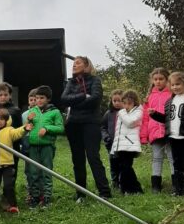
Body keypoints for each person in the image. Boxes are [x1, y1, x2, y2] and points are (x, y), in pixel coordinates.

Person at [61, 56, 112, 200]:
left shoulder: (95, 80)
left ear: (86, 65)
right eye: (73, 63)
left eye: (78, 63)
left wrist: (75, 102)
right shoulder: (70, 82)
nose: (74, 65)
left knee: (93, 157)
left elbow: (95, 99)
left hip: (91, 123)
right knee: (77, 160)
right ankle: (80, 194)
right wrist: (84, 96)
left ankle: (104, 192)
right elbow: (64, 99)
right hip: (73, 125)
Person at [149, 72, 184, 195]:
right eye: (173, 85)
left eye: (178, 84)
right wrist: (154, 114)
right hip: (173, 136)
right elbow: (166, 119)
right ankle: (178, 189)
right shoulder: (170, 101)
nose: (175, 87)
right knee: (176, 162)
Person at [0, 82, 23, 208]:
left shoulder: (15, 110)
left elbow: (19, 130)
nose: (3, 97)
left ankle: (7, 198)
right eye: (0, 95)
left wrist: (19, 145)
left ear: (10, 95)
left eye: (5, 94)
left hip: (11, 149)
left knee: (10, 176)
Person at [26, 86, 64, 208]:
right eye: (37, 98)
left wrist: (47, 129)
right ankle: (35, 197)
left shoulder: (55, 112)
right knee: (33, 172)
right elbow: (28, 127)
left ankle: (46, 197)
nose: (38, 100)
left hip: (47, 146)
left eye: (42, 98)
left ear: (48, 99)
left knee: (46, 172)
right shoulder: (33, 111)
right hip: (33, 146)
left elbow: (61, 128)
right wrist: (29, 121)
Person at [140, 68, 175, 193]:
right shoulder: (149, 97)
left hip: (169, 131)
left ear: (167, 80)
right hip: (154, 132)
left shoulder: (172, 94)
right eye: (155, 79)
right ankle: (156, 186)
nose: (158, 81)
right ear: (152, 81)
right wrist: (143, 136)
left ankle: (176, 184)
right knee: (156, 158)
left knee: (172, 158)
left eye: (161, 79)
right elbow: (145, 119)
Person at [111, 90, 143, 194]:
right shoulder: (123, 112)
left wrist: (122, 113)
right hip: (121, 145)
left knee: (126, 167)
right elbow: (118, 131)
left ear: (135, 102)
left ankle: (128, 188)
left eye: (129, 103)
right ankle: (132, 189)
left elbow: (130, 122)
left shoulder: (138, 111)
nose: (126, 106)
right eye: (124, 103)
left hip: (130, 144)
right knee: (123, 167)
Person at [101, 90, 124, 191]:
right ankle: (114, 182)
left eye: (119, 101)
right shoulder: (108, 113)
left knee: (122, 163)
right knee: (113, 162)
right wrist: (106, 137)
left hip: (123, 144)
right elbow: (103, 127)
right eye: (115, 101)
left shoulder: (127, 113)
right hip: (111, 144)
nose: (117, 103)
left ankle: (123, 181)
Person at [21, 89, 38, 201]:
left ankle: (40, 191)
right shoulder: (24, 115)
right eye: (31, 100)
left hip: (38, 143)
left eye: (35, 100)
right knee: (28, 169)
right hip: (27, 144)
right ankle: (30, 191)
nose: (33, 102)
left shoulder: (41, 114)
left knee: (38, 168)